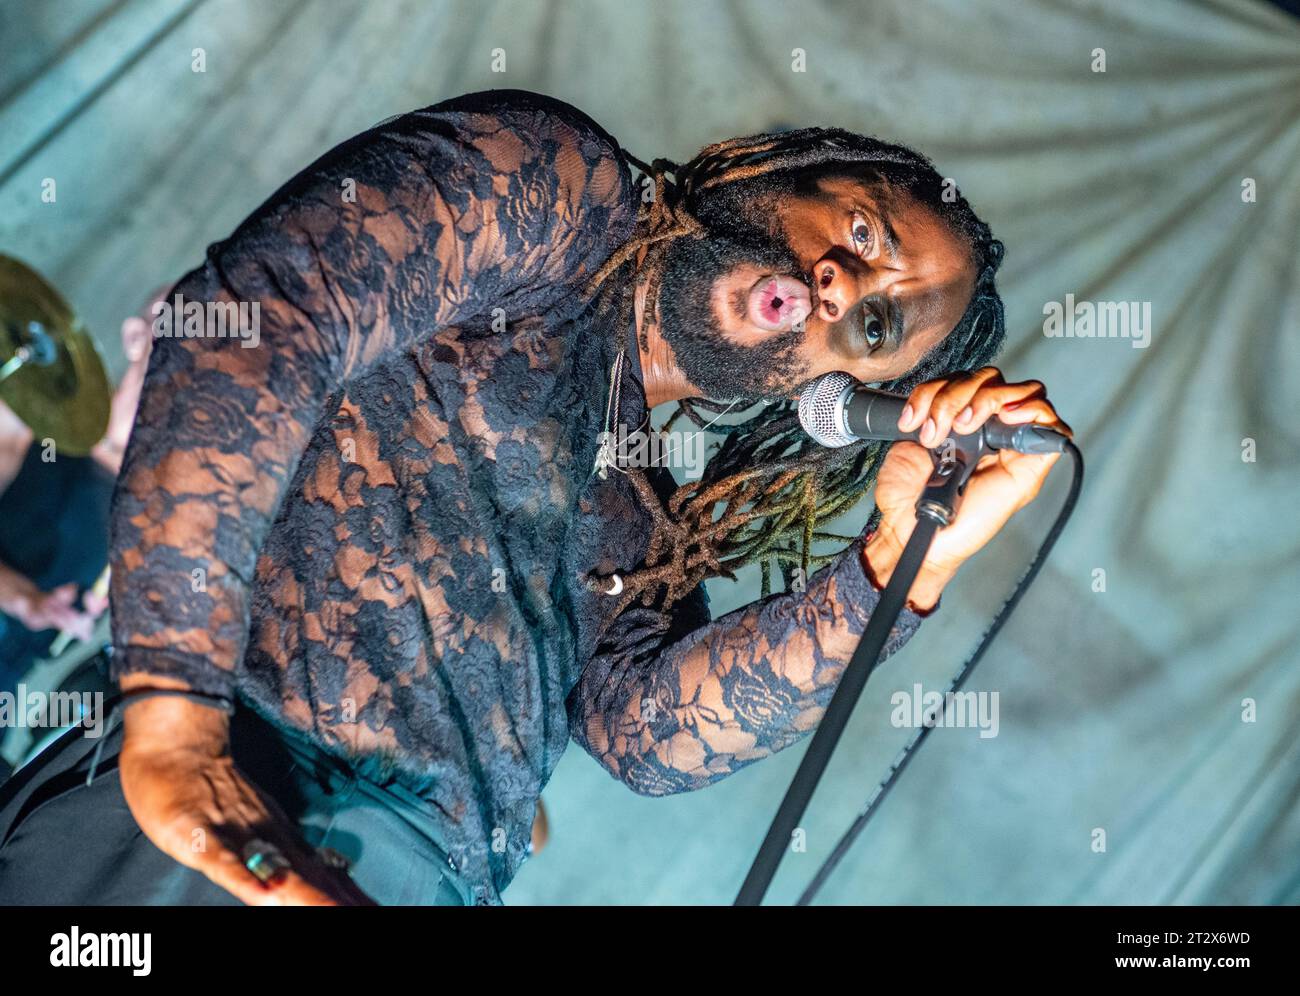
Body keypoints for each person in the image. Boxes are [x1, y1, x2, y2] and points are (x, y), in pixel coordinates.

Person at [0, 90, 1069, 906]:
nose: (845, 285)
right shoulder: (565, 197)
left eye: (875, 328)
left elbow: (644, 737)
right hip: (229, 783)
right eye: (866, 231)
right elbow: (258, 321)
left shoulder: (649, 512)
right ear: (785, 171)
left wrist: (901, 564)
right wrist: (179, 732)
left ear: (825, 389)